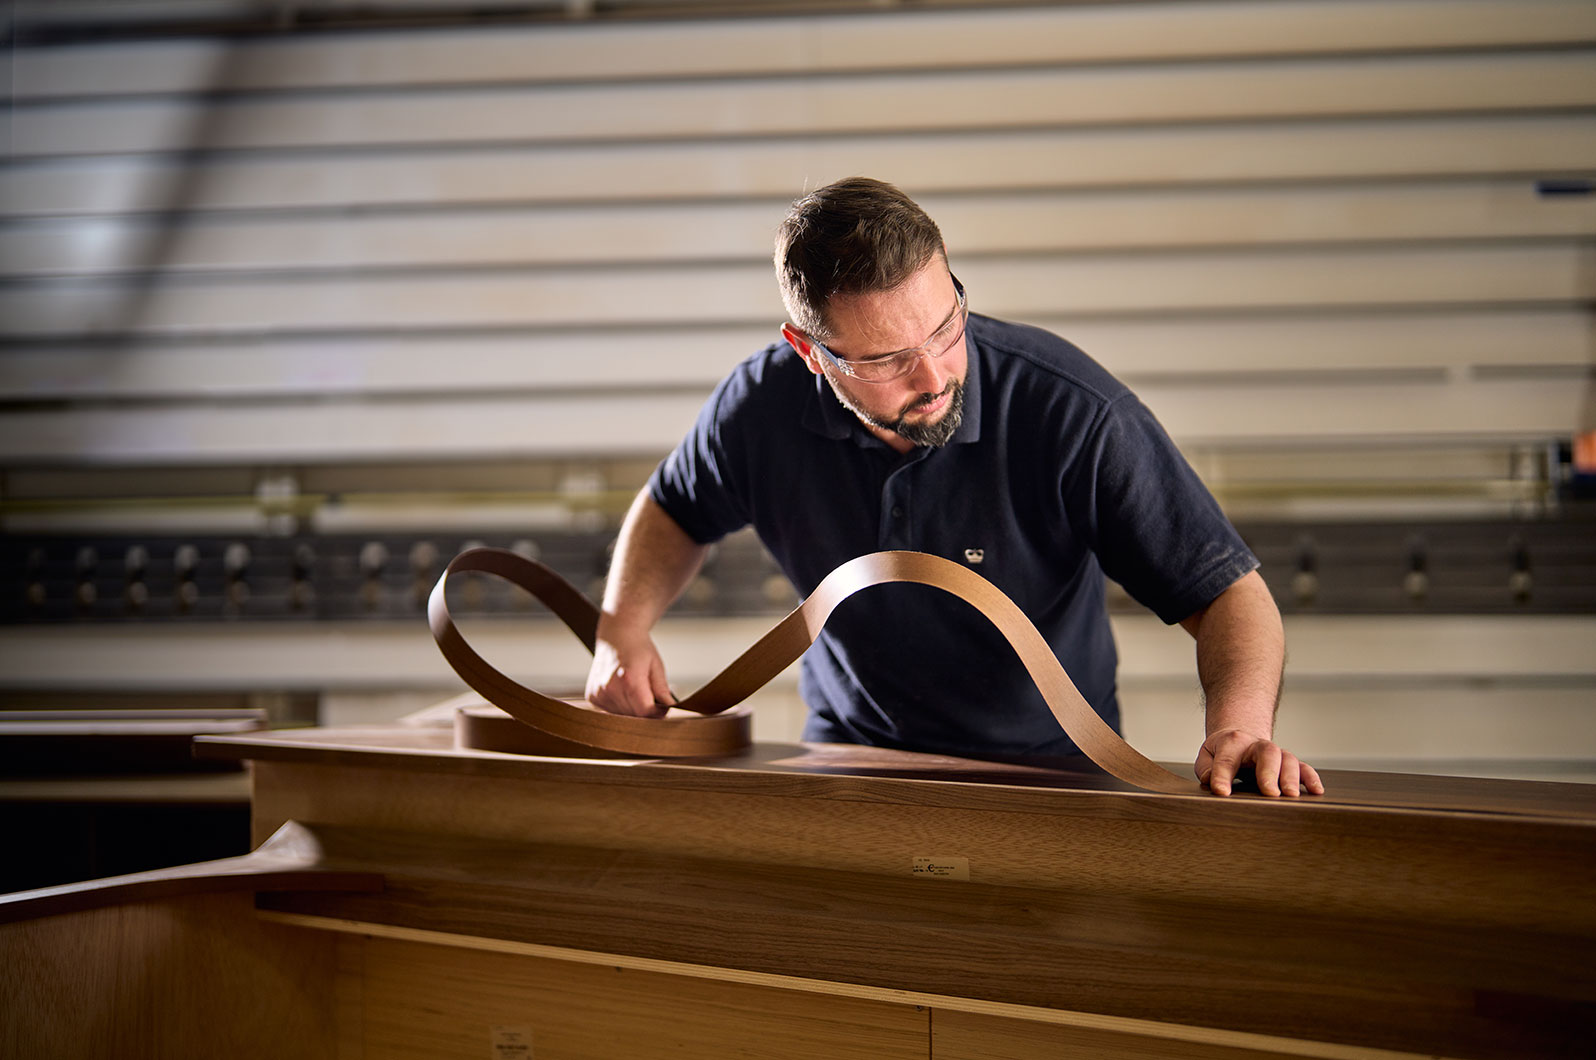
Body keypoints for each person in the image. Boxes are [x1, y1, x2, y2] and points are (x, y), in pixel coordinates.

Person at [586, 176, 1323, 798]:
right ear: (810, 353)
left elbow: (1229, 594)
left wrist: (1240, 729)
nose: (936, 377)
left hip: (1053, 775)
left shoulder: (1073, 413)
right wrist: (622, 628)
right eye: (889, 359)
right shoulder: (758, 410)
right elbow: (675, 507)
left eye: (946, 328)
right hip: (851, 760)